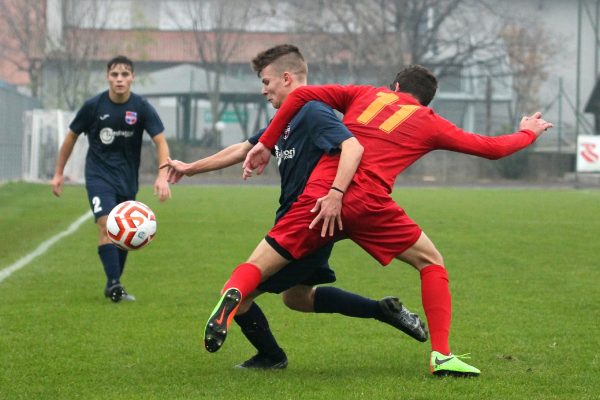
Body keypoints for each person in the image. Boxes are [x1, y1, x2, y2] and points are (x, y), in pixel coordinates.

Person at [238, 64, 553, 377]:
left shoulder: (366, 94)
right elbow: (492, 149)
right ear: (426, 100)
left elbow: (303, 94)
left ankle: (238, 300)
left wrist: (266, 142)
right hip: (369, 206)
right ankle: (441, 356)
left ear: (397, 88)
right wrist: (529, 131)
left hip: (322, 200)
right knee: (431, 261)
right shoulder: (429, 121)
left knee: (265, 277)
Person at [161, 45, 428, 369]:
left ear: (287, 78)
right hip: (297, 219)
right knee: (297, 297)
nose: (263, 90)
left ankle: (271, 357)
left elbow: (350, 147)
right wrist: (189, 168)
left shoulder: (314, 111)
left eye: (266, 81)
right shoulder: (287, 118)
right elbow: (243, 148)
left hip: (308, 224)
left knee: (240, 296)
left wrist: (335, 194)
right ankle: (382, 309)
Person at [51, 55, 171, 303]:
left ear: (132, 77)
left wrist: (162, 176)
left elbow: (160, 141)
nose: (119, 79)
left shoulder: (141, 107)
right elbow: (70, 138)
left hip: (127, 179)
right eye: (115, 74)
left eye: (125, 74)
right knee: (106, 225)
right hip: (98, 175)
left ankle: (112, 283)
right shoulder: (93, 106)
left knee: (125, 235)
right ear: (107, 76)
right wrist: (59, 172)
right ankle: (116, 284)